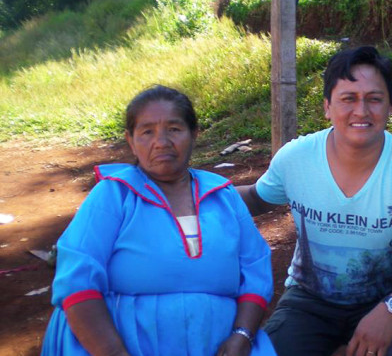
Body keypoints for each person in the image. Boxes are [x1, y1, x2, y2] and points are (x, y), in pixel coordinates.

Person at [237, 46, 392, 356]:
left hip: (385, 299)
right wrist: (192, 191)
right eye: (348, 98)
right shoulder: (297, 158)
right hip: (308, 302)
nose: (361, 111)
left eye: (374, 99)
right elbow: (257, 199)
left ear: (391, 106)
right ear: (327, 106)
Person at [41, 85, 276, 356]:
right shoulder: (113, 195)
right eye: (147, 131)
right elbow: (77, 281)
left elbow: (255, 272)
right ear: (131, 140)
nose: (161, 142)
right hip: (122, 345)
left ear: (194, 134)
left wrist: (242, 336)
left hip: (219, 345)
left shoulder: (222, 195)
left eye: (174, 129)